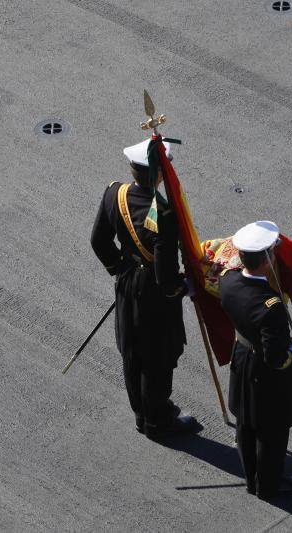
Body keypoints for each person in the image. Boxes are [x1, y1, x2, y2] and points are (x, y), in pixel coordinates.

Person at [90, 137, 198, 439]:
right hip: (153, 291)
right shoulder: (162, 214)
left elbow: (99, 241)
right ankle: (157, 421)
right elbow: (166, 278)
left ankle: (141, 412)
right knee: (157, 357)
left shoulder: (115, 193)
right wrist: (186, 286)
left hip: (127, 283)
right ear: (160, 175)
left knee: (133, 351)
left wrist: (120, 269)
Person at [219, 221, 292, 500]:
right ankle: (268, 485)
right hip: (264, 371)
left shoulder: (228, 281)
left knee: (246, 423)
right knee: (271, 430)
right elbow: (275, 357)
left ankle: (251, 478)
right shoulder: (271, 307)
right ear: (267, 259)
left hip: (242, 358)